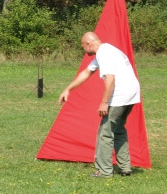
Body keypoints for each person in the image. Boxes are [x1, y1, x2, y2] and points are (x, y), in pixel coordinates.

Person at [58, 31, 140, 177]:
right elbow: (86, 72)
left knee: (105, 133)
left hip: (120, 96)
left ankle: (104, 171)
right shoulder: (108, 50)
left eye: (83, 46)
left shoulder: (104, 53)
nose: (83, 50)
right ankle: (125, 167)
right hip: (132, 94)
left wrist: (104, 102)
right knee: (119, 129)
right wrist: (68, 89)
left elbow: (110, 78)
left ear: (89, 44)